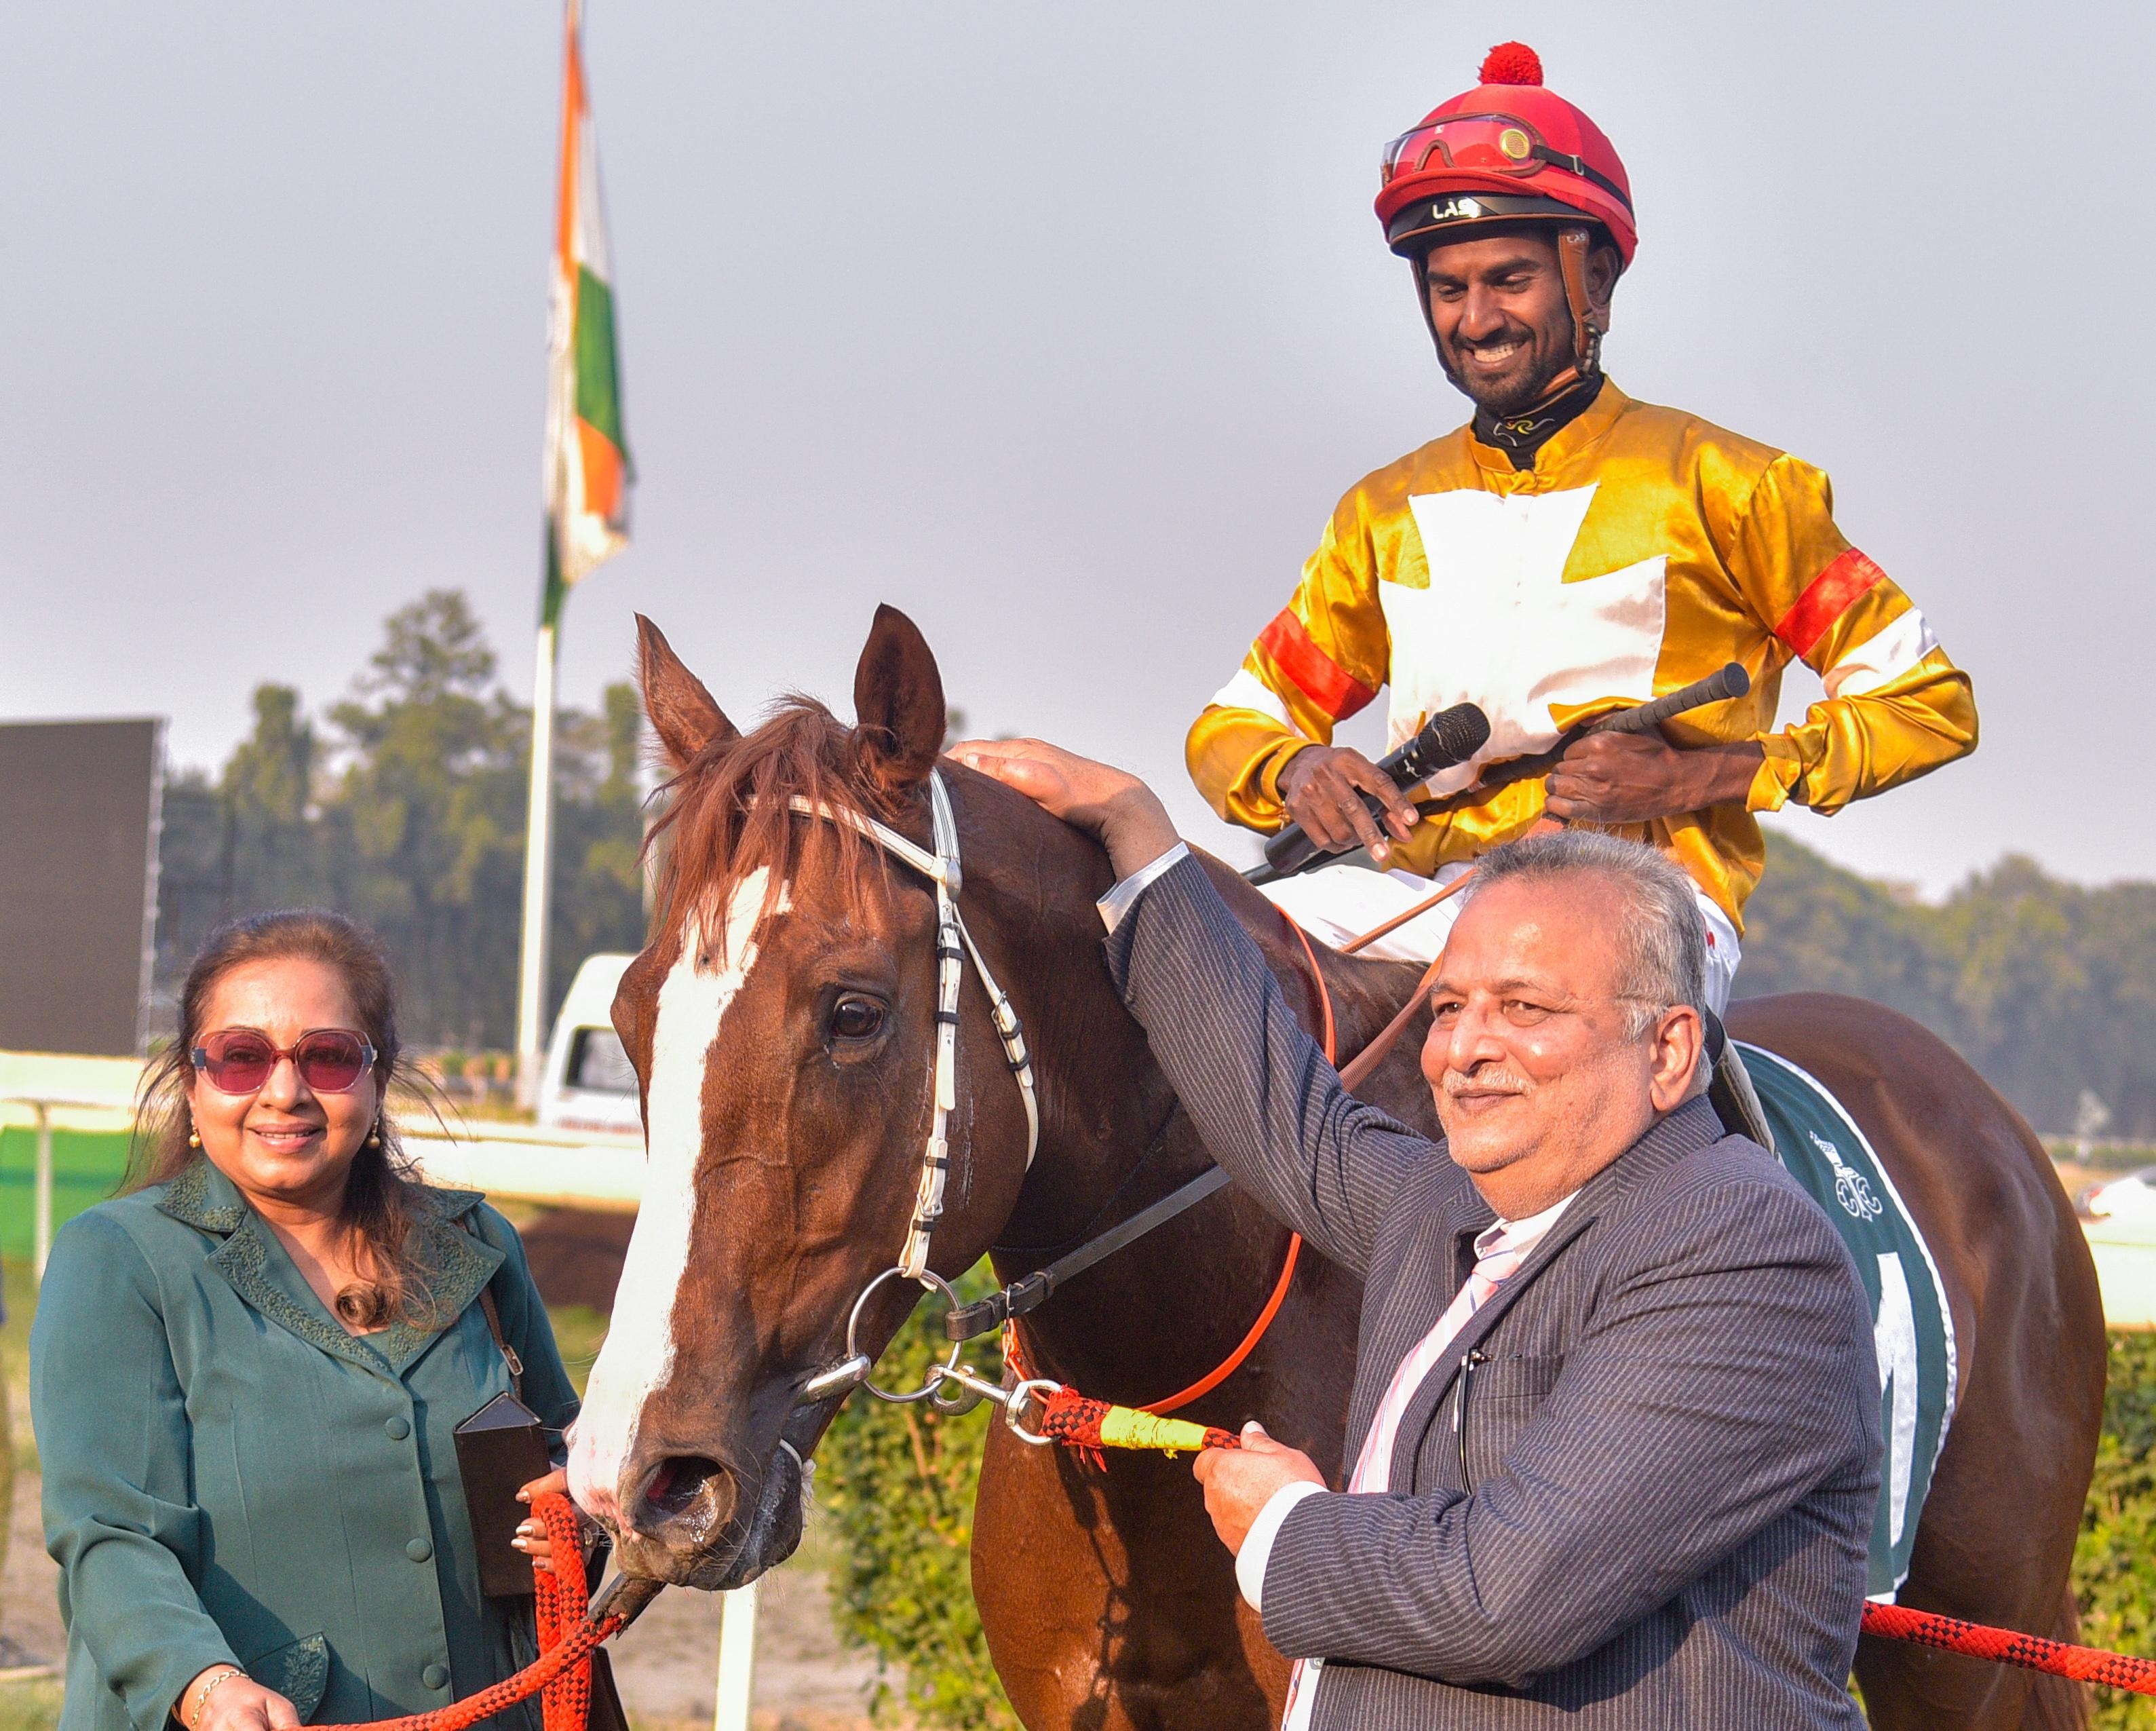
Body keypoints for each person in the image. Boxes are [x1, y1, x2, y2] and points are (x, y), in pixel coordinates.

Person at [957, 736, 1881, 1729]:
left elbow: (1508, 1594)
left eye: (1524, 1007)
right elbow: (1286, 1116)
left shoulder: (1740, 1253)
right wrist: (1140, 838)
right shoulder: (1454, 1207)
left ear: (1668, 1047)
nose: (1466, 1049)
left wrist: (1284, 1526)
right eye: (1448, 1006)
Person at [1186, 41, 1976, 1012]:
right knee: (1188, 952)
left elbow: (1925, 706)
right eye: (1446, 288)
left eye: (1507, 280)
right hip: (1409, 895)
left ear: (1591, 281)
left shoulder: (1734, 485)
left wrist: (1697, 776)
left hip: (1642, 905)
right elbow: (1234, 720)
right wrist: (1296, 765)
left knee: (1523, 983)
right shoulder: (1380, 513)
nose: (1474, 319)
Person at [33, 911, 582, 1731]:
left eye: (326, 1056)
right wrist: (206, 1685)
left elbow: (568, 1449)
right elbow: (110, 1536)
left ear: (376, 1076)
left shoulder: (477, 1245)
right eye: (242, 1057)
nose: (283, 1090)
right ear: (193, 1081)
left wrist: (583, 1509)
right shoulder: (118, 1260)